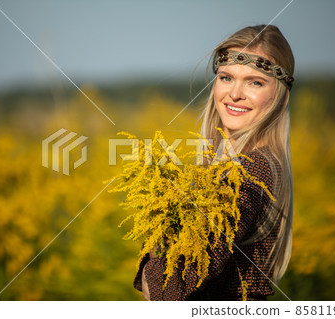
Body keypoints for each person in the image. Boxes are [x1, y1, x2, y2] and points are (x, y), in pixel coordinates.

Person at [133, 24, 295, 301]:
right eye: (226, 77)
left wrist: (156, 240)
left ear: (278, 95)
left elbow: (167, 294)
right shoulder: (223, 163)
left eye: (255, 82)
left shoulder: (249, 169)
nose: (235, 94)